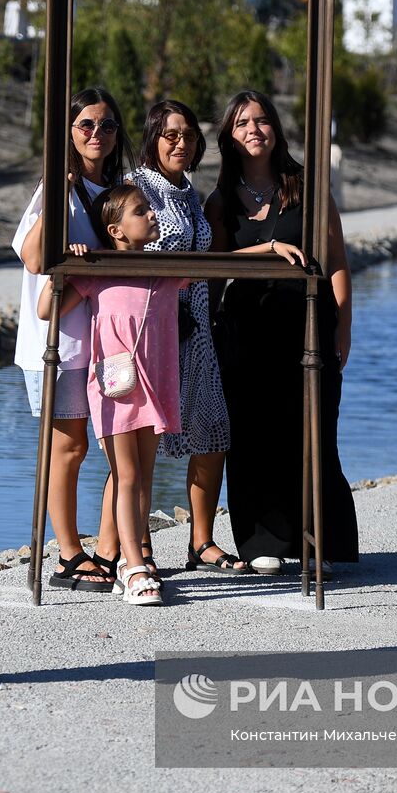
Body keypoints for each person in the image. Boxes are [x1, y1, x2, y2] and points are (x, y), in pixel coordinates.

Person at [205, 90, 358, 576]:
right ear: (229, 136)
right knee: (251, 436)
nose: (254, 129)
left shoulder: (307, 187)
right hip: (245, 331)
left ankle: (319, 541)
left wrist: (344, 325)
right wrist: (265, 249)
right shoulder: (220, 199)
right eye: (242, 123)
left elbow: (335, 260)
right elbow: (212, 268)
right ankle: (260, 541)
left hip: (307, 326)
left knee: (312, 430)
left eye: (263, 120)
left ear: (277, 129)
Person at [39, 186, 187, 606]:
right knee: (126, 476)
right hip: (116, 386)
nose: (153, 215)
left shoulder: (166, 269)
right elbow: (46, 310)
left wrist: (268, 246)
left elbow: (221, 267)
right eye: (142, 211)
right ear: (116, 230)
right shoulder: (97, 270)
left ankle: (128, 560)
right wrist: (69, 264)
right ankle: (135, 566)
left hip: (155, 387)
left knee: (143, 477)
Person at [14, 88, 132, 592]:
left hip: (105, 342)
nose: (96, 135)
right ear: (68, 130)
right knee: (69, 447)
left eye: (106, 126)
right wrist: (55, 208)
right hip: (56, 343)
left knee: (116, 446)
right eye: (86, 125)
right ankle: (67, 554)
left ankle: (112, 549)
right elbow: (34, 260)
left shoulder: (116, 189)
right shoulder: (55, 189)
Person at [127, 100, 245, 575]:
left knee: (213, 431)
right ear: (153, 138)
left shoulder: (189, 194)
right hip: (154, 331)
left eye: (189, 135)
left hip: (195, 330)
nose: (181, 142)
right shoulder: (138, 189)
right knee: (147, 442)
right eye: (171, 134)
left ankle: (201, 541)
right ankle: (140, 549)